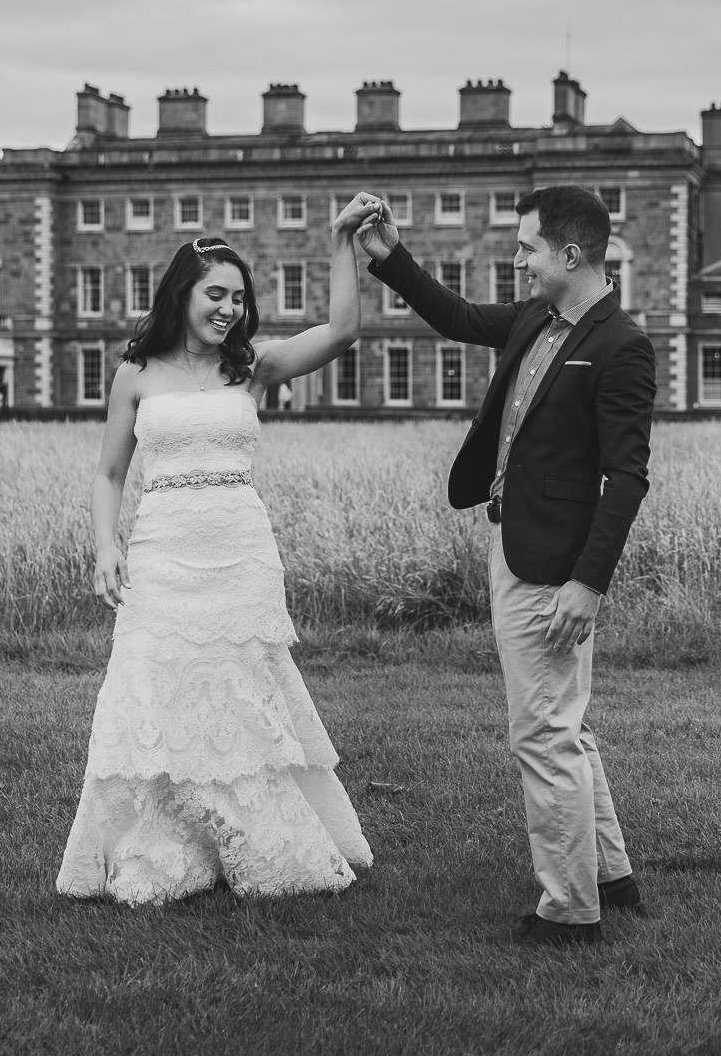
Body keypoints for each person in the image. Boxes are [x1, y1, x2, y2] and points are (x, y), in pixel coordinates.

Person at [57, 194, 386, 904]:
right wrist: (104, 545)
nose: (230, 308)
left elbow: (342, 330)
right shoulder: (136, 371)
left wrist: (340, 243)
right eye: (216, 293)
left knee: (242, 696)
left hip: (240, 553)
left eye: (239, 297)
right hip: (162, 556)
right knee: (154, 689)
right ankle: (166, 847)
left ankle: (258, 843)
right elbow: (110, 472)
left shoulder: (254, 367)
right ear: (182, 294)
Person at [356, 185, 654, 947]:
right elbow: (455, 316)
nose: (516, 259)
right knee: (567, 725)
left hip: (556, 565)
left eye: (526, 248)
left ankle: (569, 910)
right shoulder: (534, 318)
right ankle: (611, 876)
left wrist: (588, 583)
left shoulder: (621, 346)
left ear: (571, 255)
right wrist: (390, 258)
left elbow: (626, 478)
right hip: (510, 543)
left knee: (542, 736)